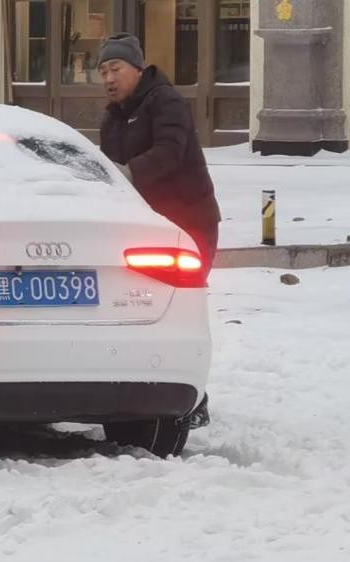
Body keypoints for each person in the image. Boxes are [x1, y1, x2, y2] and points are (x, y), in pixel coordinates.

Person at [97, 33, 221, 429]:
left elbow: (170, 151)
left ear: (138, 68)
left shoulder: (164, 100)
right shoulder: (113, 115)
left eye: (115, 69)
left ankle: (194, 397)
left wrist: (128, 174)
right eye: (102, 71)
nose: (108, 78)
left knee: (183, 311)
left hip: (190, 223)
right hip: (150, 226)